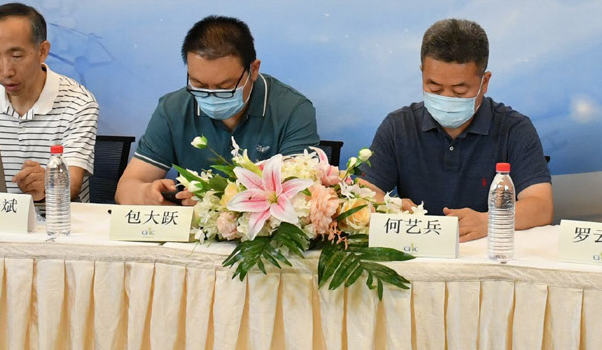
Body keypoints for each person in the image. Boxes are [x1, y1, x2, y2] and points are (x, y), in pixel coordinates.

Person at [357, 18, 552, 241]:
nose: (447, 98)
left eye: (459, 91)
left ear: (484, 82)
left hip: (487, 252)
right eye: (434, 87)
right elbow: (363, 193)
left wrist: (488, 221)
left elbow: (541, 205)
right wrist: (391, 207)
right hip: (417, 248)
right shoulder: (398, 126)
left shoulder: (514, 128)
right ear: (422, 73)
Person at [116, 16, 320, 205]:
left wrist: (214, 204)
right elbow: (125, 189)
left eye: (225, 87)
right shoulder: (173, 109)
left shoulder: (293, 110)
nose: (211, 96)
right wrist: (147, 194)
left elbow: (299, 197)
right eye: (199, 84)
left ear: (253, 70)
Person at [0, 2, 98, 201]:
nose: (6, 71)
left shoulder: (79, 104)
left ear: (42, 51)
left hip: (53, 217)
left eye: (16, 56)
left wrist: (47, 185)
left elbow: (71, 185)